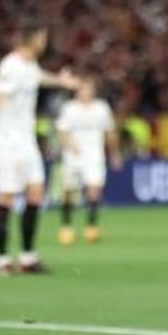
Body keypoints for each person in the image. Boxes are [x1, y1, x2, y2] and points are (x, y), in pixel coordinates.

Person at [0, 22, 79, 275]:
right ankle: (2, 260)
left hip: (26, 139)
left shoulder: (29, 65)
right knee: (6, 196)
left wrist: (61, 81)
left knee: (35, 192)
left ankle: (28, 258)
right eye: (42, 37)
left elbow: (39, 77)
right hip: (9, 140)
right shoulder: (10, 65)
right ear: (33, 38)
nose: (45, 42)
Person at [55, 78, 123, 244]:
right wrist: (68, 145)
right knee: (69, 191)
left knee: (94, 190)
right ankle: (66, 226)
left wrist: (114, 154)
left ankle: (91, 228)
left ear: (93, 90)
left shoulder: (102, 108)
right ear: (77, 91)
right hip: (73, 156)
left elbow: (110, 132)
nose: (86, 92)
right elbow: (62, 132)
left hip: (95, 155)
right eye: (83, 89)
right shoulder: (69, 108)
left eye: (89, 88)